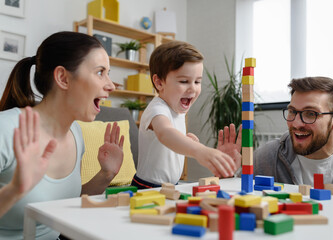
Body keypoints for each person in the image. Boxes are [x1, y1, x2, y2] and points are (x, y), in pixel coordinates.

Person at [0, 31, 125, 239]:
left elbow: (64, 201)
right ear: (63, 78)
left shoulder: (76, 133)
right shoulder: (6, 129)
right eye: (100, 72)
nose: (111, 85)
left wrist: (106, 174)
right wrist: (15, 190)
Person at [131, 41, 238, 189]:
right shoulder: (157, 109)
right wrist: (200, 151)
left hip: (170, 186)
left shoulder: (177, 110)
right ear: (159, 82)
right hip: (148, 187)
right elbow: (165, 133)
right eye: (184, 81)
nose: (193, 89)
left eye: (197, 81)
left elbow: (170, 139)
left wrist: (186, 140)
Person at [235, 76, 333, 192]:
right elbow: (238, 191)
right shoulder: (269, 156)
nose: (296, 123)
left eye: (311, 114)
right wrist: (228, 174)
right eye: (292, 111)